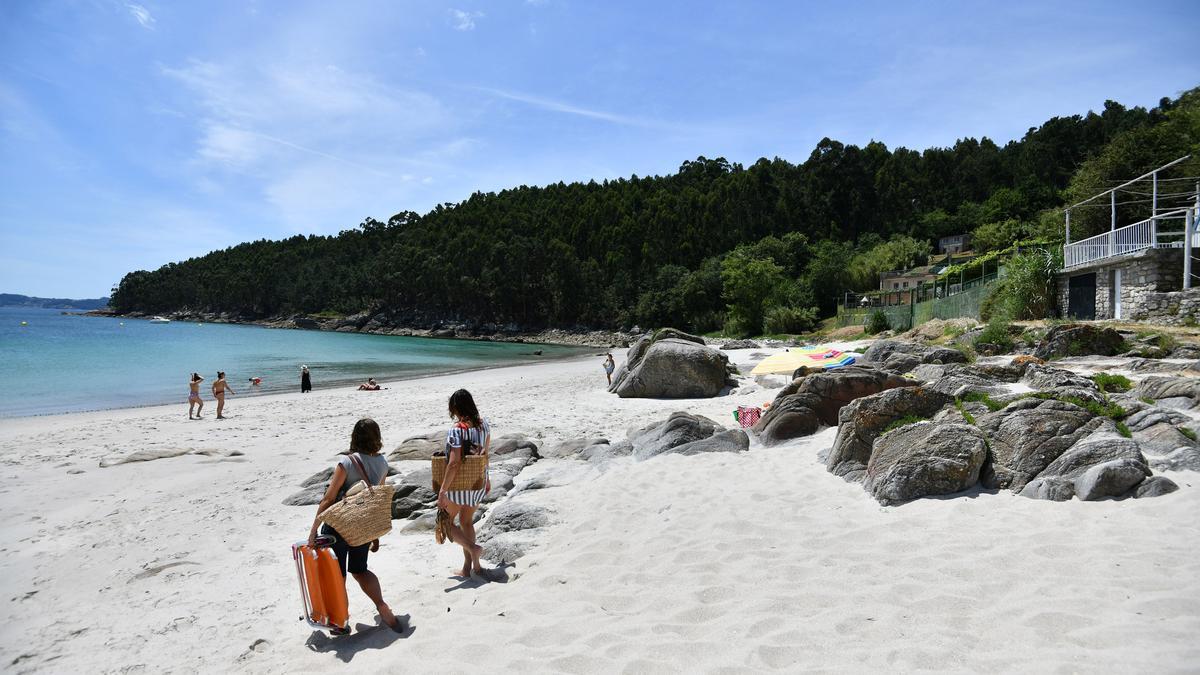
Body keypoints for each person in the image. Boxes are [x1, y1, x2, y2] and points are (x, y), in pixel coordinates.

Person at [307, 418, 401, 632]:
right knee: (360, 570)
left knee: (337, 576)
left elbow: (329, 499)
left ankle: (341, 622)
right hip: (362, 526)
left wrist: (313, 530)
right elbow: (375, 499)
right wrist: (373, 532)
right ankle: (382, 605)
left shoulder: (347, 463)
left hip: (339, 527)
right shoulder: (383, 463)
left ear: (354, 437)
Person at [438, 389, 492, 578]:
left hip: (458, 486)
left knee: (445, 522)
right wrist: (488, 479)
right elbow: (485, 454)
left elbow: (453, 463)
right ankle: (471, 568)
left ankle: (472, 548)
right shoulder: (484, 424)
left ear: (455, 408)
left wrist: (443, 490)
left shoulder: (456, 430)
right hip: (477, 482)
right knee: (466, 522)